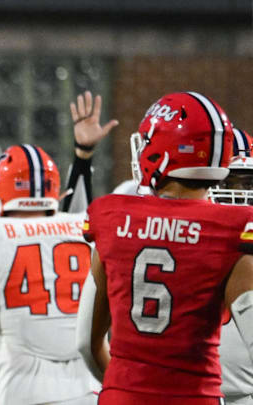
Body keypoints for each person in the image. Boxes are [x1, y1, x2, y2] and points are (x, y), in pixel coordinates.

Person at [0, 91, 116, 405]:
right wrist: (83, 154)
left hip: (21, 390)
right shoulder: (83, 226)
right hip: (92, 388)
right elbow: (72, 217)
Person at [76, 91, 253, 405]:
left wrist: (122, 389)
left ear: (163, 150)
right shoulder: (234, 229)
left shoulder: (112, 216)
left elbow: (85, 343)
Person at [209, 127, 253, 405]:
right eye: (228, 183)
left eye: (246, 183)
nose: (238, 194)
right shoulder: (185, 232)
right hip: (192, 388)